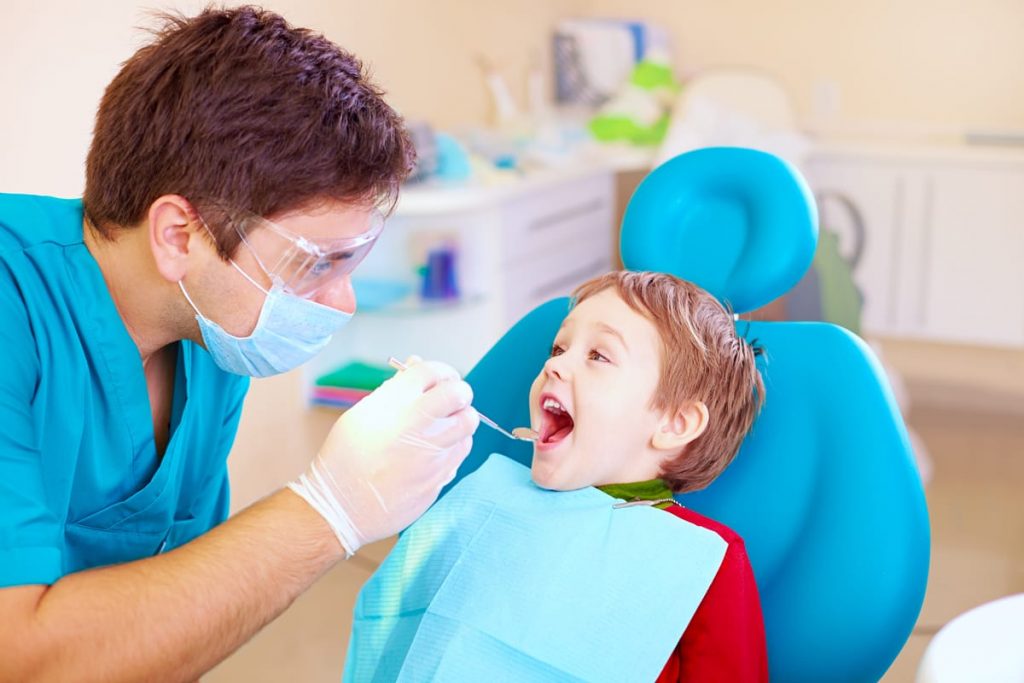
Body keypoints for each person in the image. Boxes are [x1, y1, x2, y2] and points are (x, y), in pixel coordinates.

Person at [0, 7, 478, 681]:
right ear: (178, 236)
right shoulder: (14, 308)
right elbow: (20, 656)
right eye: (318, 261)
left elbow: (176, 611)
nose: (341, 301)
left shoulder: (211, 335)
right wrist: (329, 507)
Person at [349, 270, 769, 681]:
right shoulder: (489, 498)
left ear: (675, 423)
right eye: (558, 349)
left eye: (598, 356)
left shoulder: (699, 559)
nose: (556, 366)